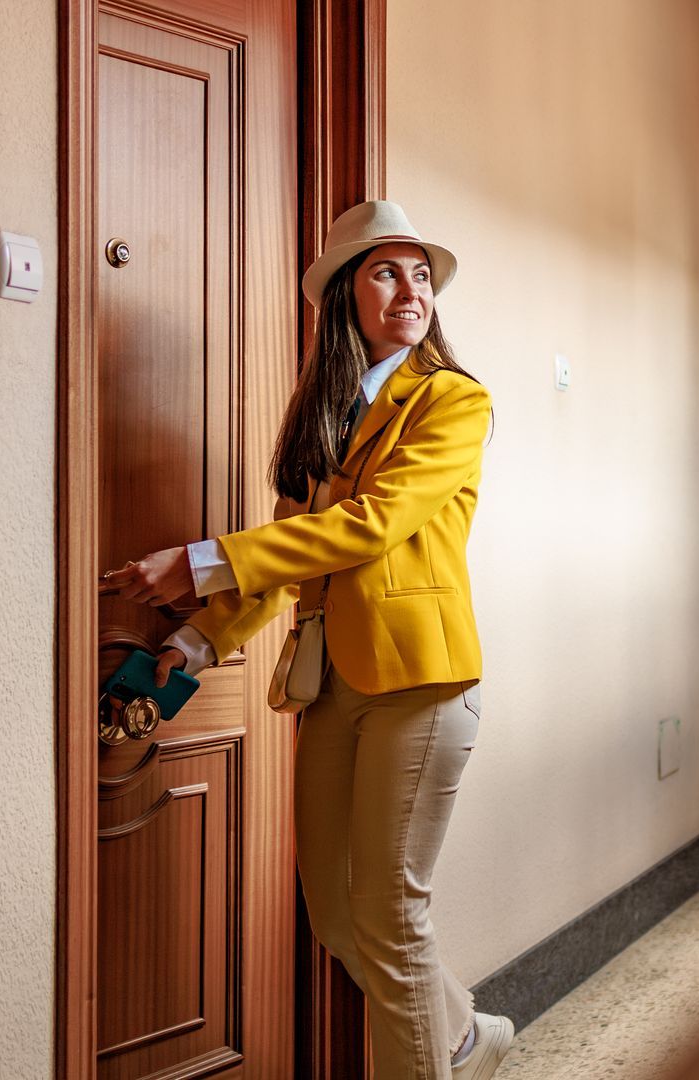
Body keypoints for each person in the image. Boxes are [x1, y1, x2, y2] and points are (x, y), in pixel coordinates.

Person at [101, 200, 511, 1080]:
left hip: (421, 686)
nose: (411, 290)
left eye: (420, 274)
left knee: (394, 918)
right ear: (342, 301)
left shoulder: (451, 401)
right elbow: (290, 561)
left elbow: (369, 527)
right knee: (336, 916)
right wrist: (197, 645)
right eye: (385, 272)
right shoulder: (327, 421)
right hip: (331, 687)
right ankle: (468, 1041)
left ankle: (451, 1054)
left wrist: (204, 560)